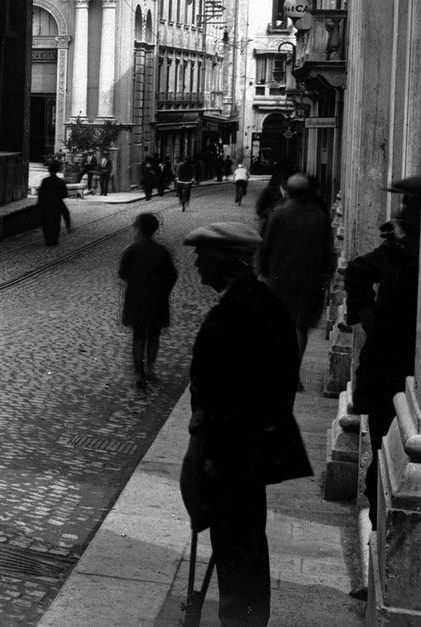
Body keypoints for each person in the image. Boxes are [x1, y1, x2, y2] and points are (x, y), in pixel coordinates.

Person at [179, 221, 307, 627]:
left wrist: (217, 457)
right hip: (243, 449)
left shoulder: (242, 311)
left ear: (228, 261)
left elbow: (244, 394)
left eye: (204, 254)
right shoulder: (255, 301)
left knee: (238, 546)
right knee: (239, 543)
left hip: (236, 451)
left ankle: (242, 621)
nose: (197, 262)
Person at [345, 174, 420, 526]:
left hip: (405, 368)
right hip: (387, 369)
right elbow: (358, 271)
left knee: (388, 457)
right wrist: (367, 316)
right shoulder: (397, 250)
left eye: (409, 203)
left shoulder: (410, 253)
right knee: (380, 453)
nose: (401, 210)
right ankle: (377, 534)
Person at [257, 173, 336, 360]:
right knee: (301, 326)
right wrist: (326, 277)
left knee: (278, 322)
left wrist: (263, 274)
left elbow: (264, 247)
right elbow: (328, 251)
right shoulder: (319, 216)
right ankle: (294, 370)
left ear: (288, 192)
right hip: (310, 279)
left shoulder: (277, 214)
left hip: (280, 277)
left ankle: (277, 364)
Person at [118, 211, 177, 389]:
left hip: (137, 299)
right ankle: (150, 368)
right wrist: (163, 292)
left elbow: (122, 273)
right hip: (157, 300)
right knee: (153, 336)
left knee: (138, 337)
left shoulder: (131, 250)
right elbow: (172, 275)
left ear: (138, 228)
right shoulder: (162, 251)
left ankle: (140, 374)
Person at [37, 159, 73, 246]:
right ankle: (55, 238)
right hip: (57, 204)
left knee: (46, 222)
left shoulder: (45, 181)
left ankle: (48, 240)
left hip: (46, 204)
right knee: (56, 222)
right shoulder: (60, 182)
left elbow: (41, 194)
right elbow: (64, 195)